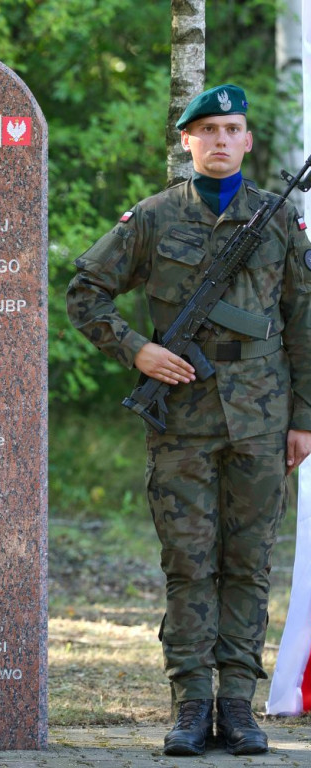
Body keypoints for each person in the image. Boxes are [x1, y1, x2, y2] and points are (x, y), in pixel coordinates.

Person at [66, 83, 311, 757]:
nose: (221, 141)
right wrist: (137, 349)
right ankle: (189, 703)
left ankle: (237, 706)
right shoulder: (150, 218)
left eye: (233, 129)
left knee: (249, 563)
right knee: (188, 563)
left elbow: (305, 320)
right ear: (186, 141)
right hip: (181, 417)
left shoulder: (279, 218)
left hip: (262, 418)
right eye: (207, 130)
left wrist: (305, 418)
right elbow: (85, 293)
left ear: (249, 140)